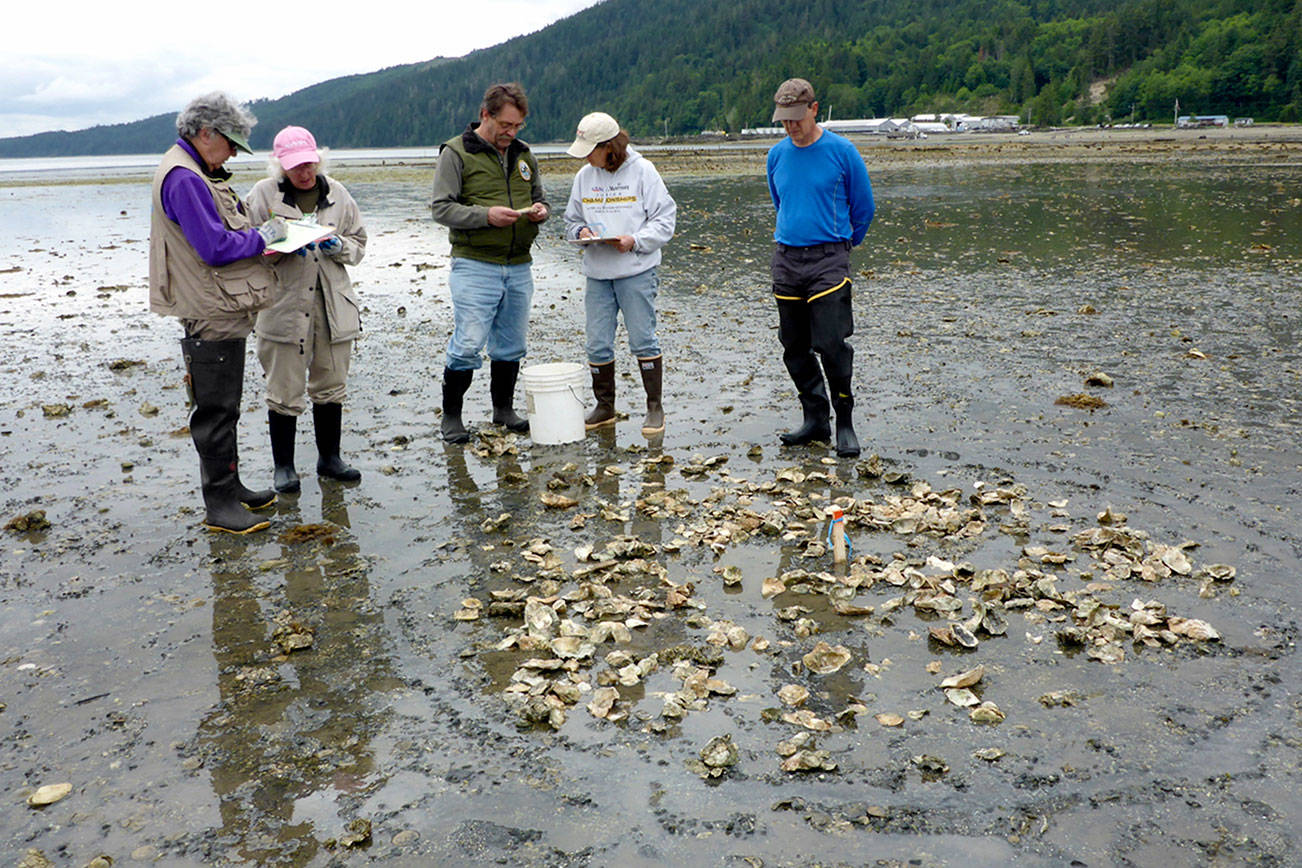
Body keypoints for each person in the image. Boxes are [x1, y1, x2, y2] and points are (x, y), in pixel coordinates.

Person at [149, 91, 289, 534]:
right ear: (205, 132)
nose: (232, 153)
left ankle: (232, 489)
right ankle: (220, 506)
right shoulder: (185, 178)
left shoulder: (191, 169)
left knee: (224, 406)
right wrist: (263, 236)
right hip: (210, 308)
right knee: (214, 411)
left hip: (217, 305)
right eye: (230, 142)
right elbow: (212, 247)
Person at [246, 126, 367, 493]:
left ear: (318, 159)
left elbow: (359, 245)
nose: (304, 172)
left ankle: (329, 460)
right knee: (283, 389)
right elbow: (244, 249)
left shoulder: (339, 194)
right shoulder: (262, 196)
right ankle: (284, 467)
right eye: (296, 166)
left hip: (332, 307)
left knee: (331, 385)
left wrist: (337, 246)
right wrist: (273, 248)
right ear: (281, 167)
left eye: (309, 164)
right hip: (282, 309)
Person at [430, 82, 549, 443]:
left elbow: (540, 198)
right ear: (486, 115)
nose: (511, 133)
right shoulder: (455, 152)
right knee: (467, 343)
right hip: (474, 263)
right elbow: (441, 208)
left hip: (518, 264)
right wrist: (486, 216)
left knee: (511, 343)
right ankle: (451, 417)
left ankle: (503, 410)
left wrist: (541, 212)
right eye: (505, 126)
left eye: (518, 127)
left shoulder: (524, 154)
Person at [766, 78, 875, 457]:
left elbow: (864, 208)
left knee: (830, 344)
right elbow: (781, 202)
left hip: (829, 259)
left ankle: (844, 421)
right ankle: (816, 421)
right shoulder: (776, 155)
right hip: (787, 259)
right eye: (784, 120)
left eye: (797, 118)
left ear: (814, 109)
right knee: (793, 346)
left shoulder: (842, 152)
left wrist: (842, 245)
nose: (791, 126)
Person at [563, 112, 677, 435]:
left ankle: (655, 407)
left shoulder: (643, 171)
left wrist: (636, 240)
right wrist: (582, 231)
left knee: (643, 338)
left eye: (590, 149)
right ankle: (604, 406)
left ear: (609, 147)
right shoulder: (584, 177)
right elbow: (571, 220)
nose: (585, 156)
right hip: (597, 273)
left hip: (636, 270)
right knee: (597, 343)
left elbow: (665, 219)